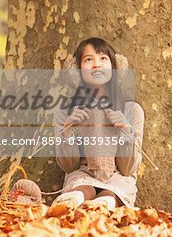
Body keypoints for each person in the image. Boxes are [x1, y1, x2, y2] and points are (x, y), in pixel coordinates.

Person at [50, 37, 144, 212]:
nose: (96, 64)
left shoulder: (131, 110)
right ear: (78, 70)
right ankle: (67, 207)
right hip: (83, 174)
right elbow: (68, 166)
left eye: (103, 58)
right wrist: (67, 130)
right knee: (79, 193)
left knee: (109, 197)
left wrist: (126, 130)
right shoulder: (67, 111)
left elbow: (128, 168)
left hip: (118, 177)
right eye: (88, 59)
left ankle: (100, 210)